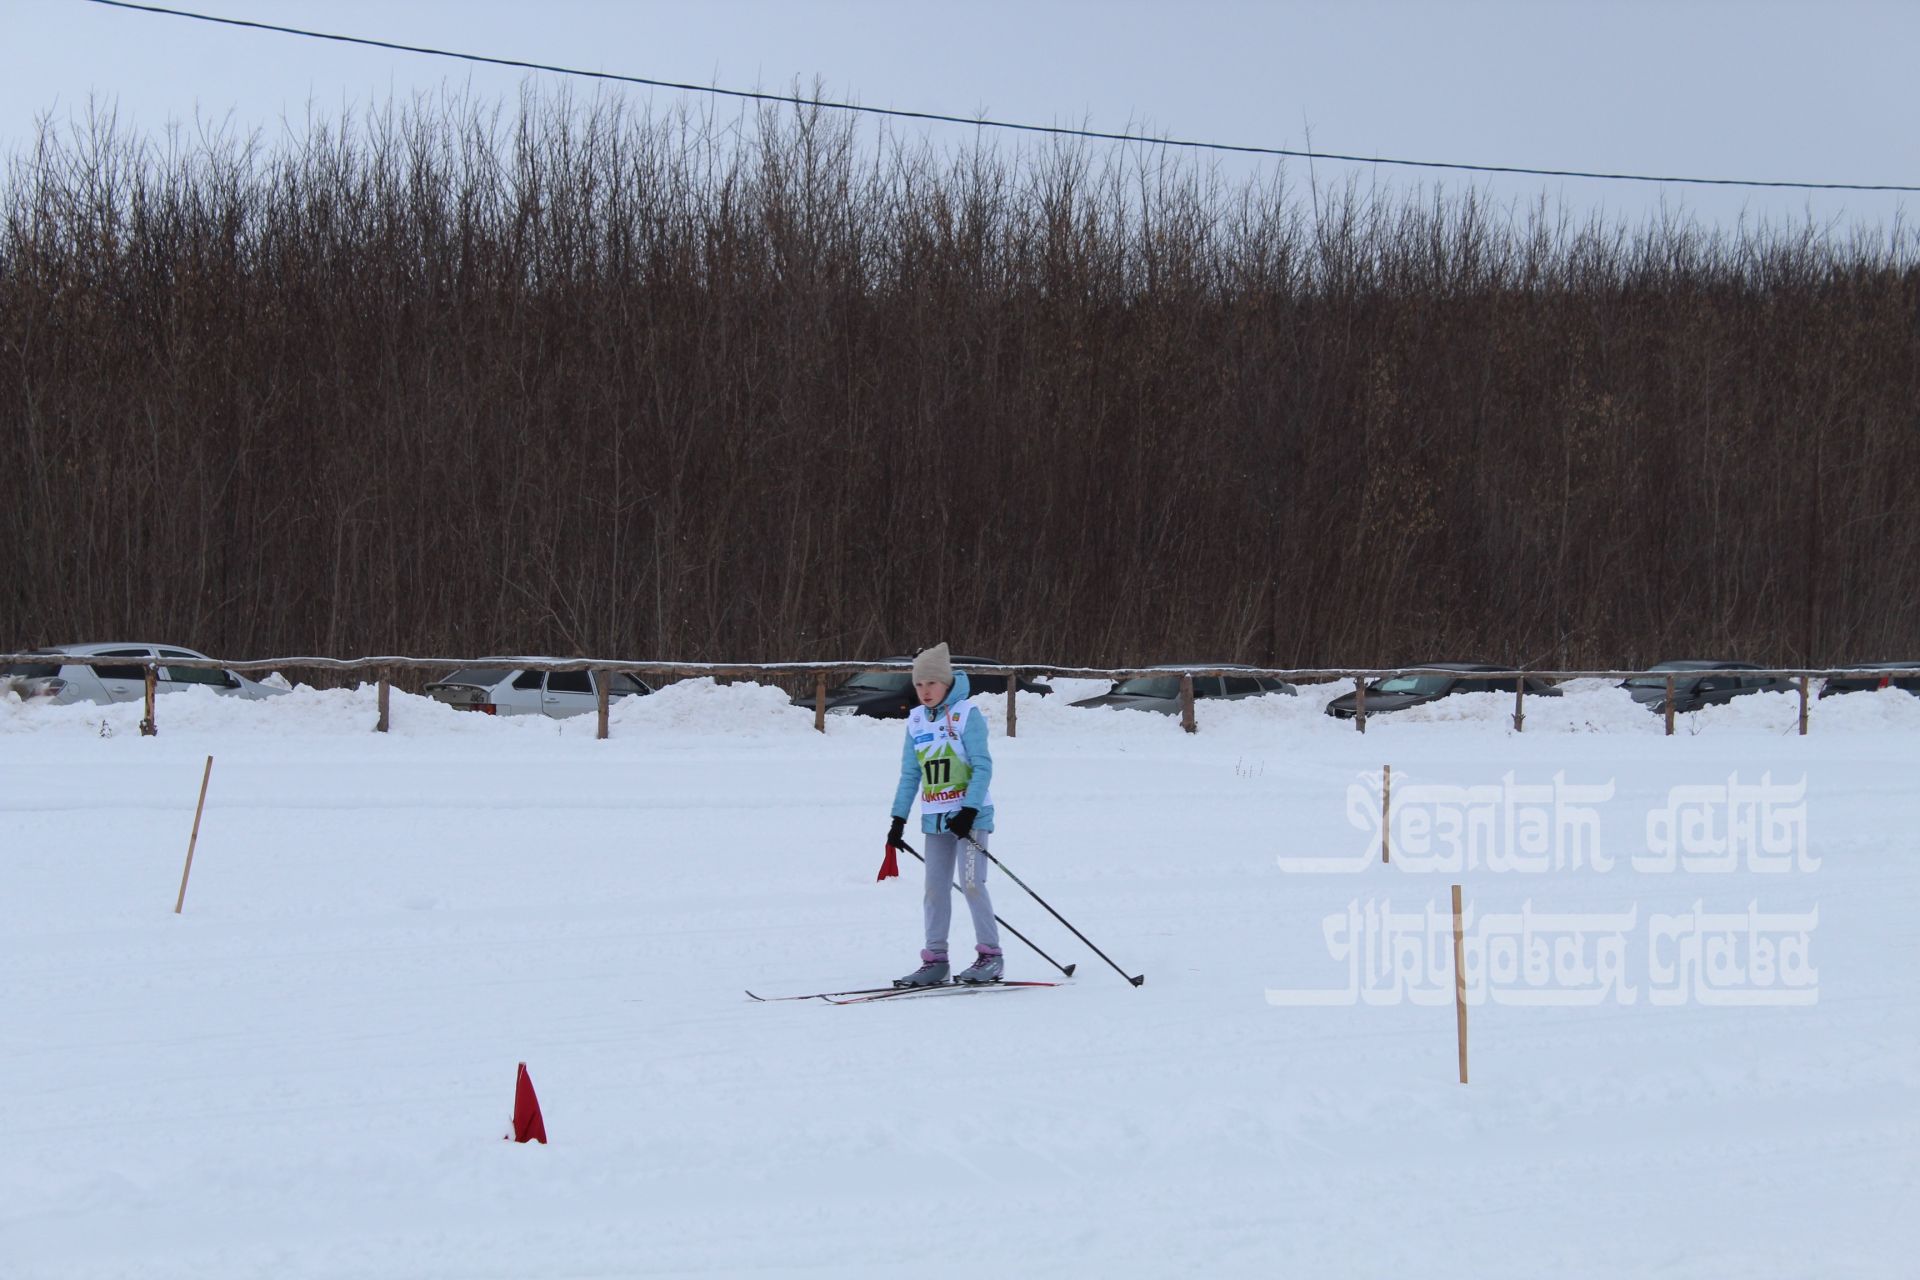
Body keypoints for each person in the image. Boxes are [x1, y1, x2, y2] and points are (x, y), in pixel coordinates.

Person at [886, 642, 1003, 987]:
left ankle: (991, 957)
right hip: (935, 819)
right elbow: (910, 774)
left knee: (971, 884)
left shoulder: (968, 714)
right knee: (935, 890)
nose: (925, 691)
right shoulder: (916, 720)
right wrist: (898, 819)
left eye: (931, 684)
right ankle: (935, 960)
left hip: (971, 817)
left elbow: (983, 765)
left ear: (947, 683)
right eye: (919, 685)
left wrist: (969, 810)